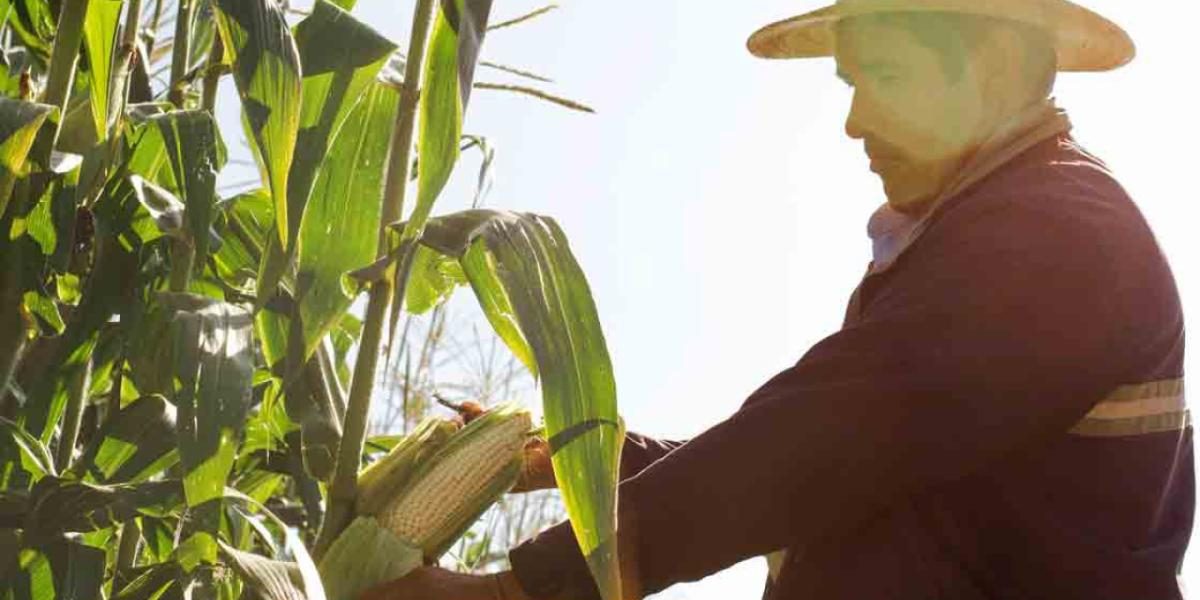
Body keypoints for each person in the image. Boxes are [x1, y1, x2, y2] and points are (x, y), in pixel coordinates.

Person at [363, 0, 1192, 598]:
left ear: (999, 69)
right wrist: (575, 460)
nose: (855, 121)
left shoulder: (1055, 234)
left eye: (886, 77)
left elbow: (811, 446)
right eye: (852, 85)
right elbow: (840, 449)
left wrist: (521, 590)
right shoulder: (1006, 226)